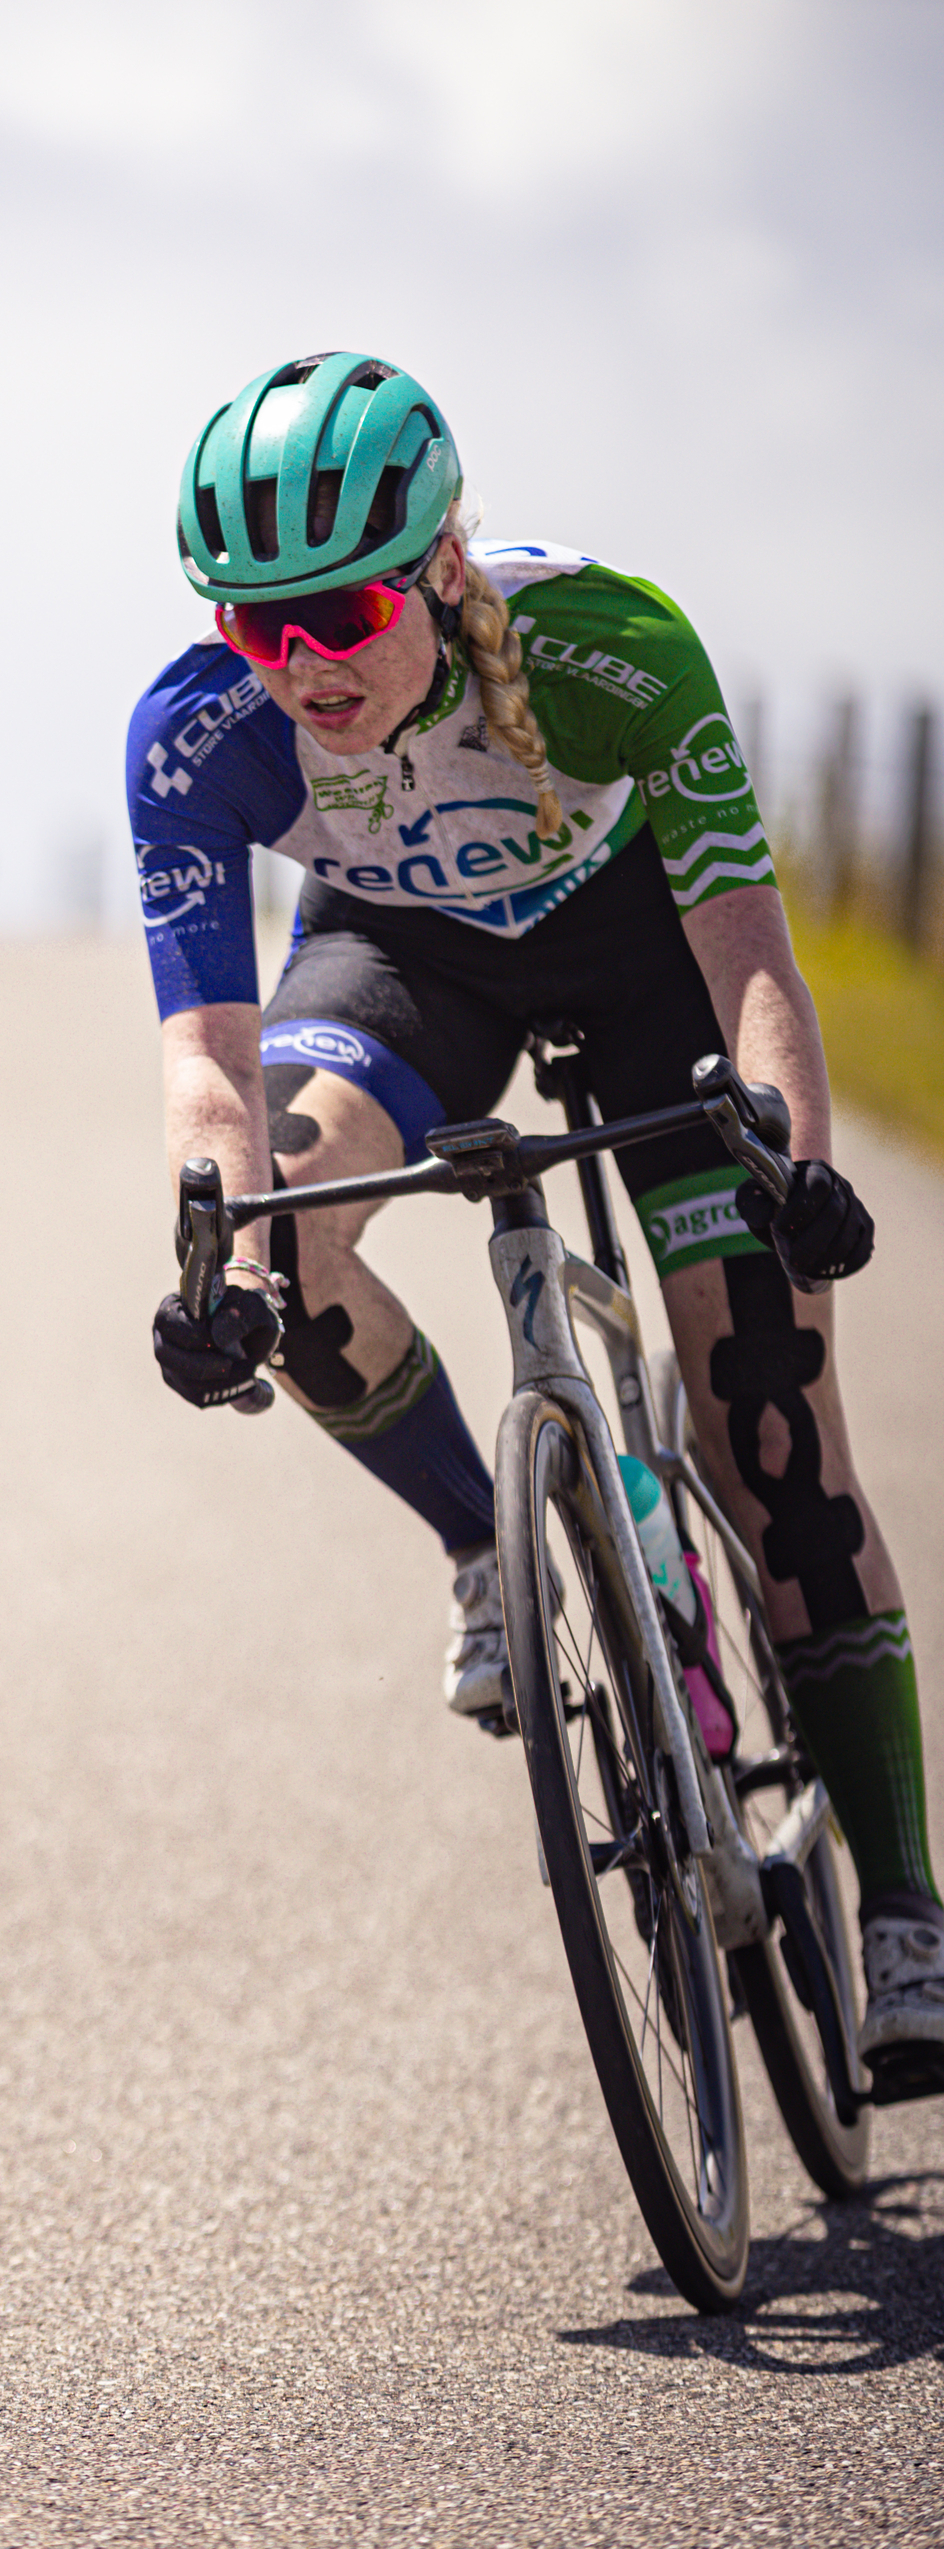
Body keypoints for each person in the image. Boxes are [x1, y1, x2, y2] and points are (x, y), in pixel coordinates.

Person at [130, 348, 944, 2103]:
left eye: (337, 613)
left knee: (773, 1435)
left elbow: (752, 969)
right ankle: (485, 1538)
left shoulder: (611, 651)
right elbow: (209, 1065)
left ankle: (903, 1906)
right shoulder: (196, 733)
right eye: (255, 628)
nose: (303, 669)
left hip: (648, 957)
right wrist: (216, 1257)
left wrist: (794, 1159)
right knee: (293, 1252)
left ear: (435, 568)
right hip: (405, 959)